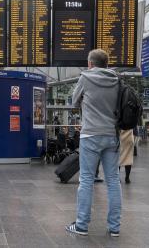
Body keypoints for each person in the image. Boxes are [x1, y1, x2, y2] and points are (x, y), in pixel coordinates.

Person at [66, 49, 121, 237]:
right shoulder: (117, 80)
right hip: (112, 135)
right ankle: (114, 227)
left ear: (90, 64)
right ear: (106, 64)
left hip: (90, 135)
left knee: (87, 179)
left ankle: (81, 225)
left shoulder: (85, 78)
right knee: (113, 180)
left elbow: (74, 102)